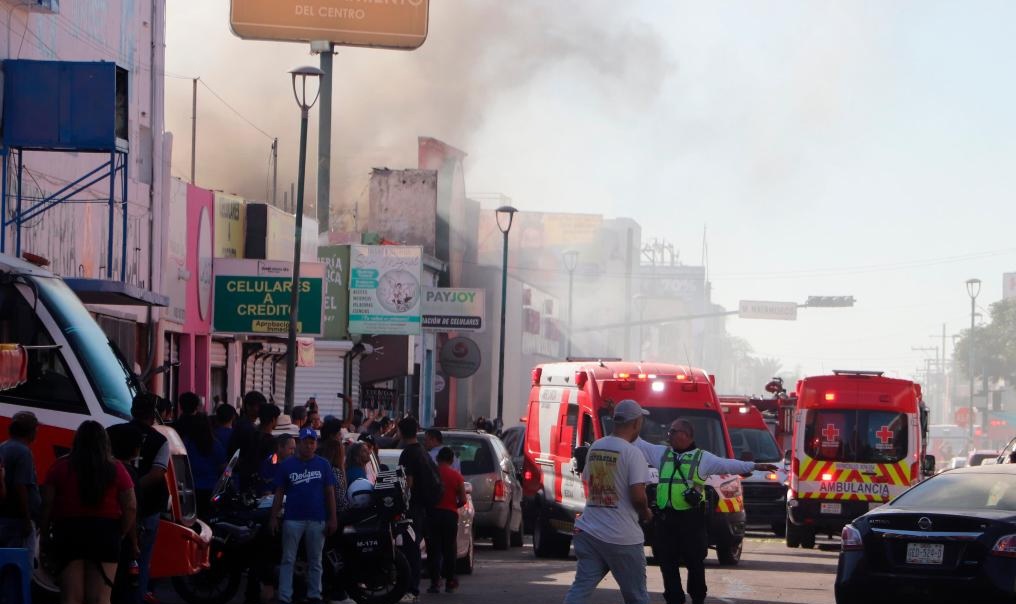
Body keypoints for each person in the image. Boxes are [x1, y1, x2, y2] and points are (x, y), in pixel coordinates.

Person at [638, 419, 779, 604]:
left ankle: (698, 598)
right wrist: (615, 415)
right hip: (666, 520)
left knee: (695, 563)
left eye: (673, 431)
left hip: (691, 521)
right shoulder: (661, 454)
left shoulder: (702, 458)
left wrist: (753, 466)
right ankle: (674, 599)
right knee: (667, 563)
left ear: (686, 435)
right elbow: (637, 441)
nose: (668, 434)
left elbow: (728, 465)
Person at [563, 400, 654, 604]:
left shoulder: (597, 446)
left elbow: (588, 479)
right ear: (636, 423)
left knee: (580, 589)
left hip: (590, 532)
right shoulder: (633, 453)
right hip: (621, 537)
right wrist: (646, 513)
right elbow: (638, 496)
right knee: (637, 596)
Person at [40, 420, 137, 604]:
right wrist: (121, 532)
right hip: (105, 532)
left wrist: (45, 533)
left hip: (68, 531)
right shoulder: (116, 468)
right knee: (100, 597)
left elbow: (47, 504)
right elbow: (131, 505)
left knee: (70, 597)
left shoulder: (59, 467)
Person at [269, 428, 338, 604]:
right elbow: (279, 492)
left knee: (316, 560)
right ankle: (285, 596)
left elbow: (330, 492)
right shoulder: (287, 465)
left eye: (312, 442)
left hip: (317, 519)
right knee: (288, 559)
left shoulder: (323, 464)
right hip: (293, 519)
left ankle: (315, 595)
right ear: (299, 443)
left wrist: (333, 518)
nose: (308, 445)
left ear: (316, 444)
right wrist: (273, 517)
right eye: (305, 442)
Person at [129, 393, 171, 604]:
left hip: (119, 504)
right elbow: (157, 473)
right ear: (153, 415)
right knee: (143, 559)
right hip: (149, 506)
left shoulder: (114, 432)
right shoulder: (161, 440)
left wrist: (126, 489)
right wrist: (135, 488)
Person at [397, 417, 443, 602]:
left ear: (400, 432)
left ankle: (412, 589)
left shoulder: (408, 453)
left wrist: (402, 502)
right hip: (427, 507)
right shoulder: (422, 451)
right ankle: (417, 586)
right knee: (416, 547)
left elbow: (408, 482)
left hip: (414, 507)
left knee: (411, 548)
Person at [107, 423, 145, 604]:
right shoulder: (128, 472)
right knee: (123, 587)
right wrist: (134, 541)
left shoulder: (104, 468)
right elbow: (131, 508)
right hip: (121, 536)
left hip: (103, 531)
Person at [427, 447, 467, 594]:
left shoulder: (432, 474)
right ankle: (450, 581)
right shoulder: (456, 476)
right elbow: (463, 499)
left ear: (437, 459)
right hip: (450, 515)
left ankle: (435, 583)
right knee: (449, 548)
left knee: (434, 549)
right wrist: (452, 505)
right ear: (451, 460)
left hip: (433, 514)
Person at [0, 410, 41, 556]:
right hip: (17, 521)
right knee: (20, 567)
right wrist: (26, 519)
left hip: (4, 518)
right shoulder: (23, 452)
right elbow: (21, 486)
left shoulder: (3, 447)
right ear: (31, 431)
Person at [183, 413, 227, 519]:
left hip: (191, 487)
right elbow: (223, 467)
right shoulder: (215, 444)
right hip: (211, 488)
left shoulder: (186, 442)